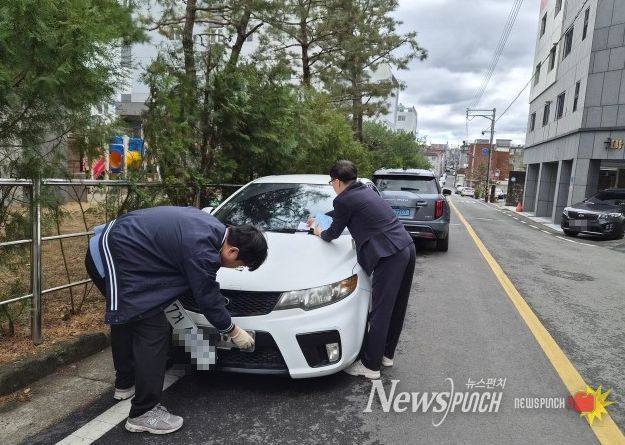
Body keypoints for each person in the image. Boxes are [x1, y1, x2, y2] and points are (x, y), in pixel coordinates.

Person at [84, 206, 268, 434]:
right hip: (111, 255)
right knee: (153, 330)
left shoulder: (213, 227)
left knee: (128, 318)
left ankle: (125, 383)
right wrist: (233, 331)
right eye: (239, 265)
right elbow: (208, 298)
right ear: (233, 251)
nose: (235, 268)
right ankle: (143, 412)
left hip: (115, 247)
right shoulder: (202, 251)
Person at [309, 160, 416, 379]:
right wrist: (320, 217)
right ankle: (386, 355)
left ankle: (370, 366)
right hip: (406, 246)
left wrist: (317, 231)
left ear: (337, 181)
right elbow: (343, 212)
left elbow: (332, 233)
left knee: (380, 311)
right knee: (396, 307)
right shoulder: (364, 191)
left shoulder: (344, 199)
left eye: (331, 182)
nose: (332, 186)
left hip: (389, 254)